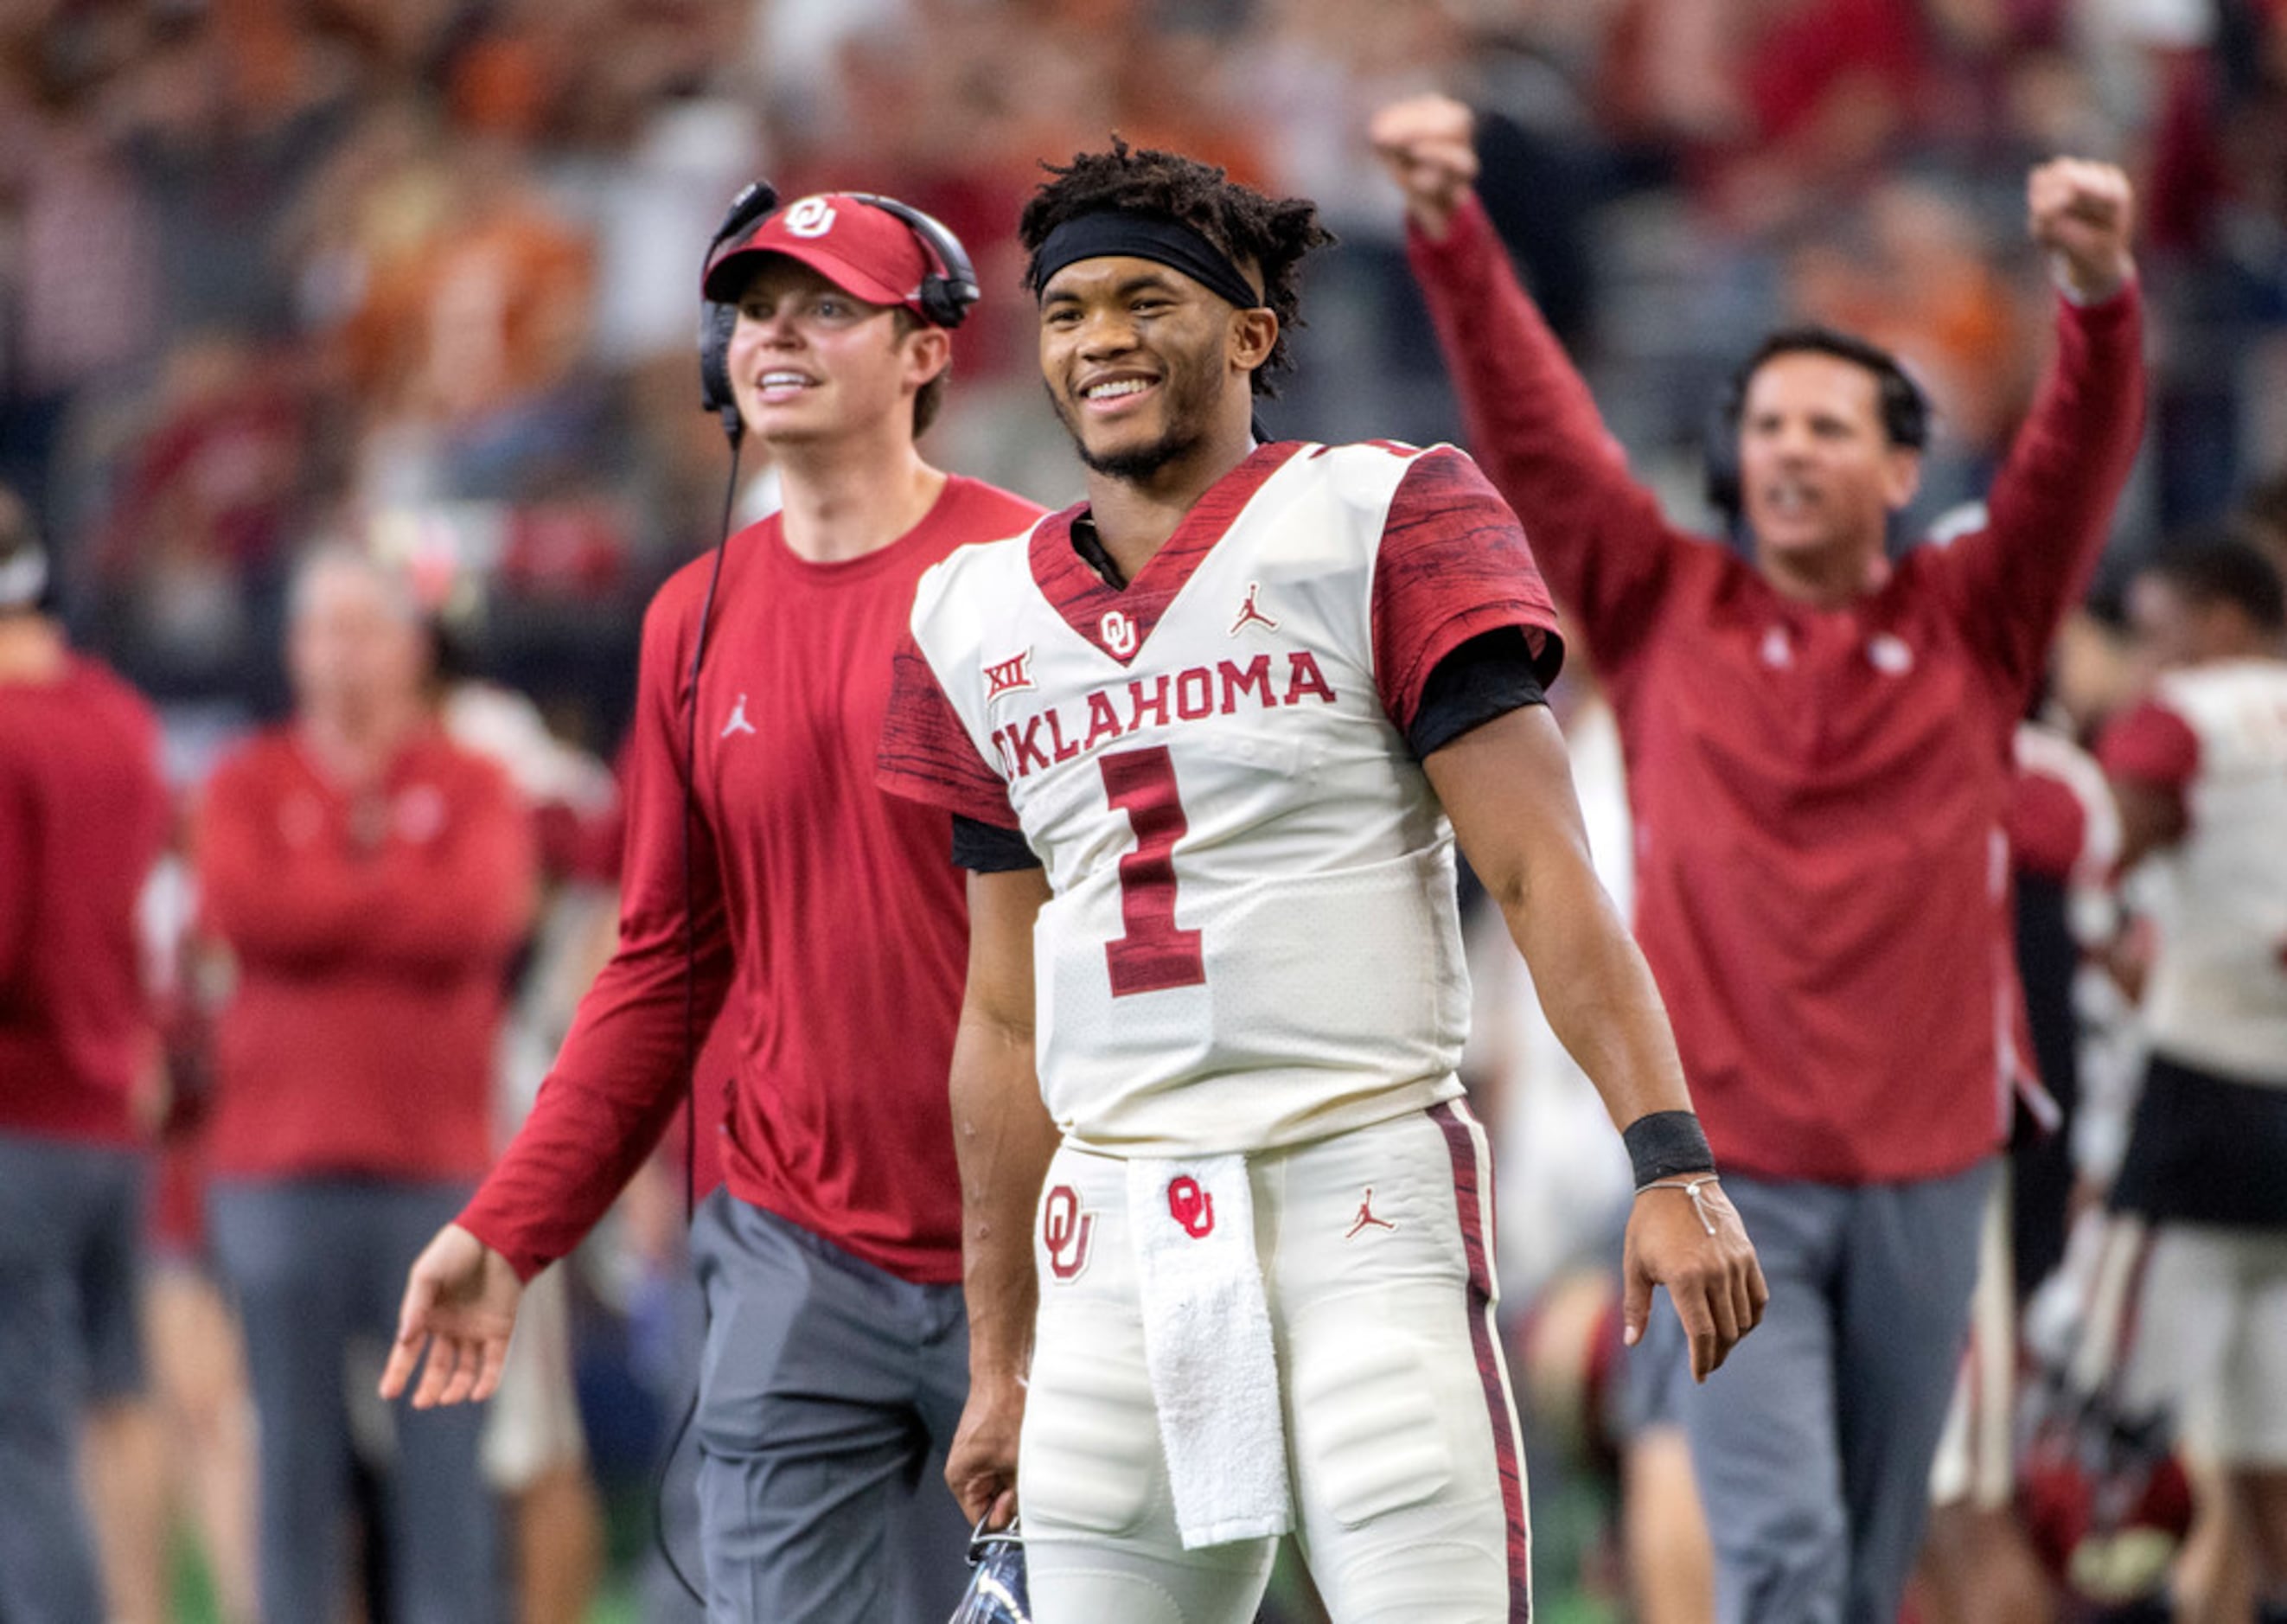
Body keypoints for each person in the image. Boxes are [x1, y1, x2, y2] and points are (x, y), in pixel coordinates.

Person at [875, 140, 1765, 1621]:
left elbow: (1541, 870)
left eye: (1146, 299)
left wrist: (1668, 1156)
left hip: (1357, 1197)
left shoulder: (1380, 514)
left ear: (1250, 331)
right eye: (1068, 308)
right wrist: (1001, 1356)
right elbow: (1007, 1019)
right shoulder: (967, 615)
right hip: (1112, 1242)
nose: (1100, 338)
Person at [1372, 92, 2145, 1624]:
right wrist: (1453, 238)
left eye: (1829, 425)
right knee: (1780, 1556)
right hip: (1733, 1176)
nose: (1787, 447)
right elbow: (1539, 429)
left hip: (1935, 1175)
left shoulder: (1975, 623)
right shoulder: (1665, 608)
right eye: (1767, 422)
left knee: (1862, 1562)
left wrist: (2100, 297)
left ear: (1900, 467)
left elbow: (2074, 463)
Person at [380, 189, 1044, 1621]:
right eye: (752, 309)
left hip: (1050, 1235)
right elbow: (661, 968)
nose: (776, 335)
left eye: (827, 307)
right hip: (796, 1243)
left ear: (925, 352)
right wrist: (510, 1225)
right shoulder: (692, 616)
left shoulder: (1035, 579)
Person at [195, 545, 538, 1624]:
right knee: (289, 1459)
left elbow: (478, 920)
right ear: (291, 650)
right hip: (274, 1166)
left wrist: (324, 904)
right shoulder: (245, 779)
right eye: (318, 632)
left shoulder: (475, 781)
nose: (337, 658)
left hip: (433, 1169)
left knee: (448, 1468)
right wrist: (387, 895)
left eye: (360, 631)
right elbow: (244, 912)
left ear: (408, 647)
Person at [2091, 535, 2287, 1622]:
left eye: (2158, 635)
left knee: (2107, 1442)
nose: (2144, 665)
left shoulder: (2188, 715)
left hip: (2196, 1109)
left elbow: (2108, 839)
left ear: (2216, 622)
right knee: (2268, 1440)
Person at [0, 484, 172, 1624]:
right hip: (119, 1113)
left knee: (22, 1447)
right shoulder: (119, 716)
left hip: (19, 1119)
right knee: (120, 1407)